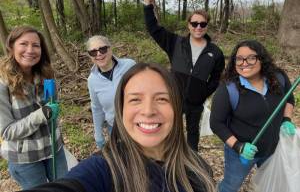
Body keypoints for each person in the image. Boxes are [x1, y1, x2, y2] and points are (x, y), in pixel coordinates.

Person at [20, 62, 216, 192]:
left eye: (162, 99)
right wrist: (98, 132)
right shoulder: (104, 169)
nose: (148, 110)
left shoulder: (199, 169)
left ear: (176, 107)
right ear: (121, 110)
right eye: (135, 99)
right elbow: (96, 108)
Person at [143, 0, 225, 151]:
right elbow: (154, 29)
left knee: (192, 133)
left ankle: (191, 163)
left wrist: (203, 93)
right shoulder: (176, 43)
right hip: (174, 97)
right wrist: (147, 5)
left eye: (202, 24)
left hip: (196, 102)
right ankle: (167, 157)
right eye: (194, 23)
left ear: (207, 26)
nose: (198, 27)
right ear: (189, 25)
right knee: (170, 129)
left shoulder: (215, 52)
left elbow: (216, 79)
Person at [210, 40, 296, 192]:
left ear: (261, 59)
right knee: (231, 186)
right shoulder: (228, 89)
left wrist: (286, 119)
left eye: (251, 58)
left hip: (273, 148)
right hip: (241, 154)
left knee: (269, 182)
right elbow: (216, 123)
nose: (244, 63)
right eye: (239, 58)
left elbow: (289, 99)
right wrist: (239, 147)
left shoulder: (278, 78)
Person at [0, 26, 68, 189]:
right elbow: (7, 131)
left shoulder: (45, 75)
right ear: (11, 46)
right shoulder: (3, 84)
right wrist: (42, 114)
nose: (30, 50)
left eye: (36, 45)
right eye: (23, 44)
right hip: (25, 159)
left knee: (65, 187)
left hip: (54, 149)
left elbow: (52, 111)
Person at [86, 35, 135, 149]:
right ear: (90, 56)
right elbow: (96, 108)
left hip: (137, 124)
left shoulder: (130, 66)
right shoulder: (92, 80)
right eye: (93, 52)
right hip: (114, 129)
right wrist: (98, 134)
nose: (98, 54)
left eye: (102, 49)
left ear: (110, 48)